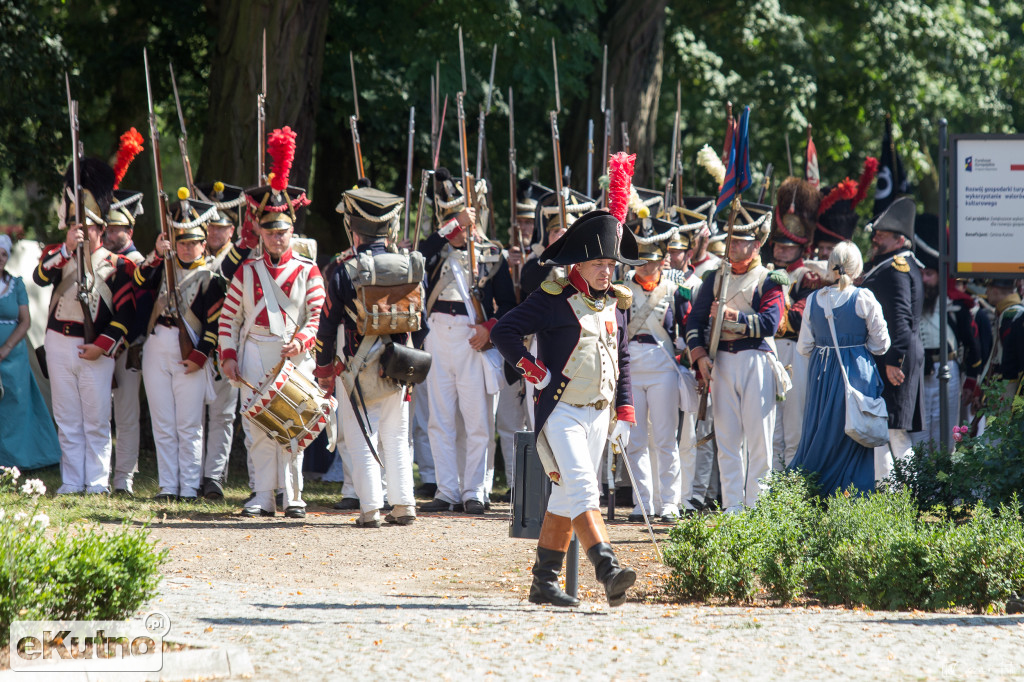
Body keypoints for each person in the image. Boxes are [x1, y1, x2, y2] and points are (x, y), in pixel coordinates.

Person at [491, 152, 642, 607]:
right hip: (560, 409)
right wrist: (533, 371)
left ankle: (543, 582)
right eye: (598, 263)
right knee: (582, 486)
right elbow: (505, 331)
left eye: (611, 265)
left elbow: (622, 356)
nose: (606, 270)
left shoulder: (613, 301)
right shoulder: (554, 297)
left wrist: (625, 410)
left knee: (564, 495)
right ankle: (608, 567)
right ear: (579, 263)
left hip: (598, 412)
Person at [219, 127, 324, 518]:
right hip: (254, 352)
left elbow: (316, 315)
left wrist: (302, 342)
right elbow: (229, 319)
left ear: (291, 230)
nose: (276, 238)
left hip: (294, 355)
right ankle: (263, 494)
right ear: (258, 231)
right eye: (269, 231)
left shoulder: (309, 271)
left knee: (293, 426)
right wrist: (228, 357)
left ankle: (294, 496)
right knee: (256, 427)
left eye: (282, 231)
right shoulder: (246, 271)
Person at [315, 186, 419, 528]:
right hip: (401, 364)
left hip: (357, 366)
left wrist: (324, 370)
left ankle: (371, 508)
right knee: (396, 436)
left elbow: (327, 327)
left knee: (361, 437)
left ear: (353, 227)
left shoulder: (344, 271)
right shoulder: (411, 266)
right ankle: (404, 504)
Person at [34, 158, 137, 494]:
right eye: (80, 228)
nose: (85, 233)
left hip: (95, 348)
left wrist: (102, 346)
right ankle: (71, 480)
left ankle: (96, 482)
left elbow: (126, 315)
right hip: (59, 342)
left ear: (101, 229)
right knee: (66, 417)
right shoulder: (57, 253)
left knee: (95, 419)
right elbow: (40, 276)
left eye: (91, 228)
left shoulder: (117, 266)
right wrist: (66, 248)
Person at [417, 168, 516, 514]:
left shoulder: (490, 254)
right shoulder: (434, 251)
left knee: (478, 423)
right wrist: (449, 228)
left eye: (463, 219)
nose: (459, 227)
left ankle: (475, 490)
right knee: (440, 420)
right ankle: (446, 490)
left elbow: (507, 305)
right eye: (452, 221)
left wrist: (490, 328)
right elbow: (416, 255)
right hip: (437, 336)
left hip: (473, 338)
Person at [685, 203, 786, 513]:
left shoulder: (771, 279)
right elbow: (694, 322)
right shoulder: (715, 278)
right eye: (730, 240)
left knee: (759, 444)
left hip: (755, 359)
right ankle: (733, 510)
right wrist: (700, 357)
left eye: (740, 241)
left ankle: (756, 510)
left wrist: (733, 316)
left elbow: (770, 322)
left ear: (756, 245)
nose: (732, 246)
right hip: (722, 361)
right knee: (727, 442)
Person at [135, 190, 226, 501]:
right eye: (182, 242)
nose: (187, 248)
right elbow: (138, 281)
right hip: (158, 343)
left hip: (190, 352)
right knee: (163, 423)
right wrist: (158, 253)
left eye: (193, 243)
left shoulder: (212, 277)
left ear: (204, 243)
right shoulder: (163, 265)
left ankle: (188, 487)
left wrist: (201, 356)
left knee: (189, 425)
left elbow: (215, 324)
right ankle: (167, 486)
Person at [789, 241, 890, 494]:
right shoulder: (864, 298)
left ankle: (809, 490)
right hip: (856, 372)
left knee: (820, 433)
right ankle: (852, 497)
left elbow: (804, 347)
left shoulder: (814, 300)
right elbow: (881, 345)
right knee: (855, 434)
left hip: (822, 373)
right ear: (857, 268)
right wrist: (855, 344)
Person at [622, 217, 689, 523]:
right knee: (635, 440)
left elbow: (687, 331)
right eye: (640, 262)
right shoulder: (621, 290)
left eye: (651, 262)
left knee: (664, 438)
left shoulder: (677, 291)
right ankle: (642, 502)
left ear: (663, 260)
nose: (645, 269)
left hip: (663, 365)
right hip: (631, 365)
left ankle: (670, 502)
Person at [859, 195, 925, 482]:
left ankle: (904, 495)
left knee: (892, 430)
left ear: (900, 240)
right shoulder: (891, 265)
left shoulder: (896, 268)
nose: (876, 239)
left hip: (896, 358)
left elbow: (900, 320)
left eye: (882, 236)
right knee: (888, 431)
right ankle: (895, 496)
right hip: (896, 355)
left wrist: (892, 360)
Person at [911, 213, 983, 450]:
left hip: (948, 371)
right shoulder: (909, 301)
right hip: (918, 373)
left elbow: (972, 342)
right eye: (921, 274)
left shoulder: (955, 305)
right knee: (918, 438)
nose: (924, 279)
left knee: (944, 440)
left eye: (929, 274)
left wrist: (971, 380)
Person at [195, 180, 249, 499]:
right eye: (210, 227)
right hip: (194, 342)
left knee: (223, 413)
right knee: (191, 414)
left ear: (232, 231)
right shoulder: (193, 253)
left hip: (227, 343)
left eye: (221, 228)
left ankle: (213, 476)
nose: (214, 234)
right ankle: (192, 472)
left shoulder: (241, 258)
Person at [769, 177, 822, 469]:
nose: (781, 251)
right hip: (769, 350)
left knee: (792, 425)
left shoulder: (808, 276)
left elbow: (798, 318)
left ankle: (791, 485)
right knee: (769, 425)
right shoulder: (765, 272)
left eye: (788, 247)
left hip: (792, 350)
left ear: (800, 248)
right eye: (778, 245)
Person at [0, 234, 61, 469]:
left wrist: (6, 348)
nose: (0, 258)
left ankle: (15, 461)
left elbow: (25, 321)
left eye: (4, 254)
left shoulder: (16, 285)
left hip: (13, 355)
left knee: (15, 406)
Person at [103, 188, 148, 496]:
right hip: (99, 346)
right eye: (108, 226)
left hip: (128, 347)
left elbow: (142, 311)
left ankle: (123, 479)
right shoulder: (99, 259)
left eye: (117, 227)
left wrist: (123, 341)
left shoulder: (139, 263)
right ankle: (99, 475)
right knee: (98, 416)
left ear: (130, 230)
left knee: (127, 416)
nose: (110, 232)